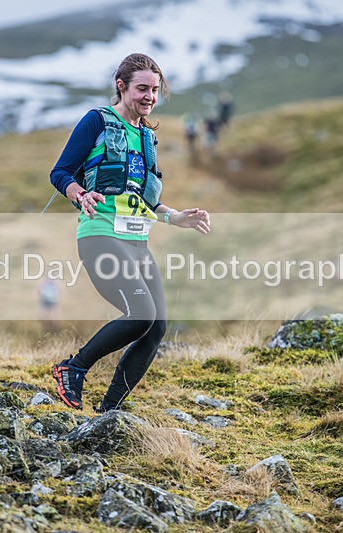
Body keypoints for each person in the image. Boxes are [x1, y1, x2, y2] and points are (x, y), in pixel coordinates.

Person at [48, 53, 211, 412]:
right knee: (140, 313)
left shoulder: (146, 137)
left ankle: (109, 412)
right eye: (142, 88)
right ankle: (72, 368)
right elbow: (60, 172)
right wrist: (79, 192)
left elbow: (144, 200)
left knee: (155, 328)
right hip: (100, 236)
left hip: (136, 242)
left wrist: (175, 217)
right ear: (121, 86)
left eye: (154, 90)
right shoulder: (96, 121)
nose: (149, 96)